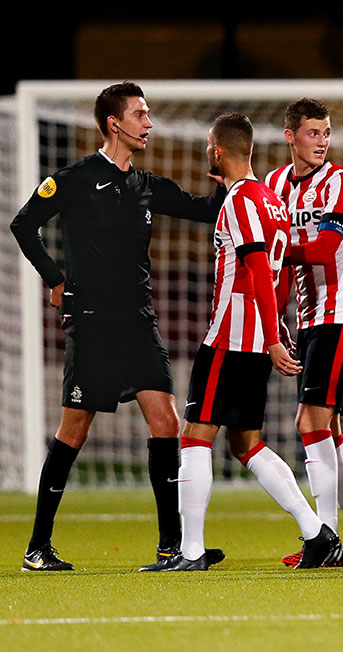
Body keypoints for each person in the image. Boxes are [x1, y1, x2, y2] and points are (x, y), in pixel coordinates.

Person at [11, 81, 226, 571]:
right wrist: (55, 277)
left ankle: (172, 546)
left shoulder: (148, 185)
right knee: (74, 430)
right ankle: (37, 547)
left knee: (166, 419)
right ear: (115, 123)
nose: (148, 122)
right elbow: (24, 224)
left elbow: (203, 210)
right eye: (140, 114)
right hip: (92, 323)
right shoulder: (76, 178)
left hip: (139, 321)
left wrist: (229, 180)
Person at [148, 113, 341, 571]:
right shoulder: (272, 200)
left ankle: (191, 551)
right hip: (256, 338)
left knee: (194, 436)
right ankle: (316, 532)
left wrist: (274, 338)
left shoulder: (239, 202)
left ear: (217, 150)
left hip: (233, 336)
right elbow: (278, 273)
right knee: (246, 443)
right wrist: (274, 328)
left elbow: (256, 270)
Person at [264, 98, 343, 567]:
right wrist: (274, 321)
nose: (322, 141)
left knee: (309, 422)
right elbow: (276, 267)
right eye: (313, 133)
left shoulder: (340, 182)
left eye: (327, 133)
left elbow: (325, 247)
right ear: (291, 136)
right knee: (327, 428)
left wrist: (269, 245)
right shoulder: (272, 184)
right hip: (310, 319)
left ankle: (325, 537)